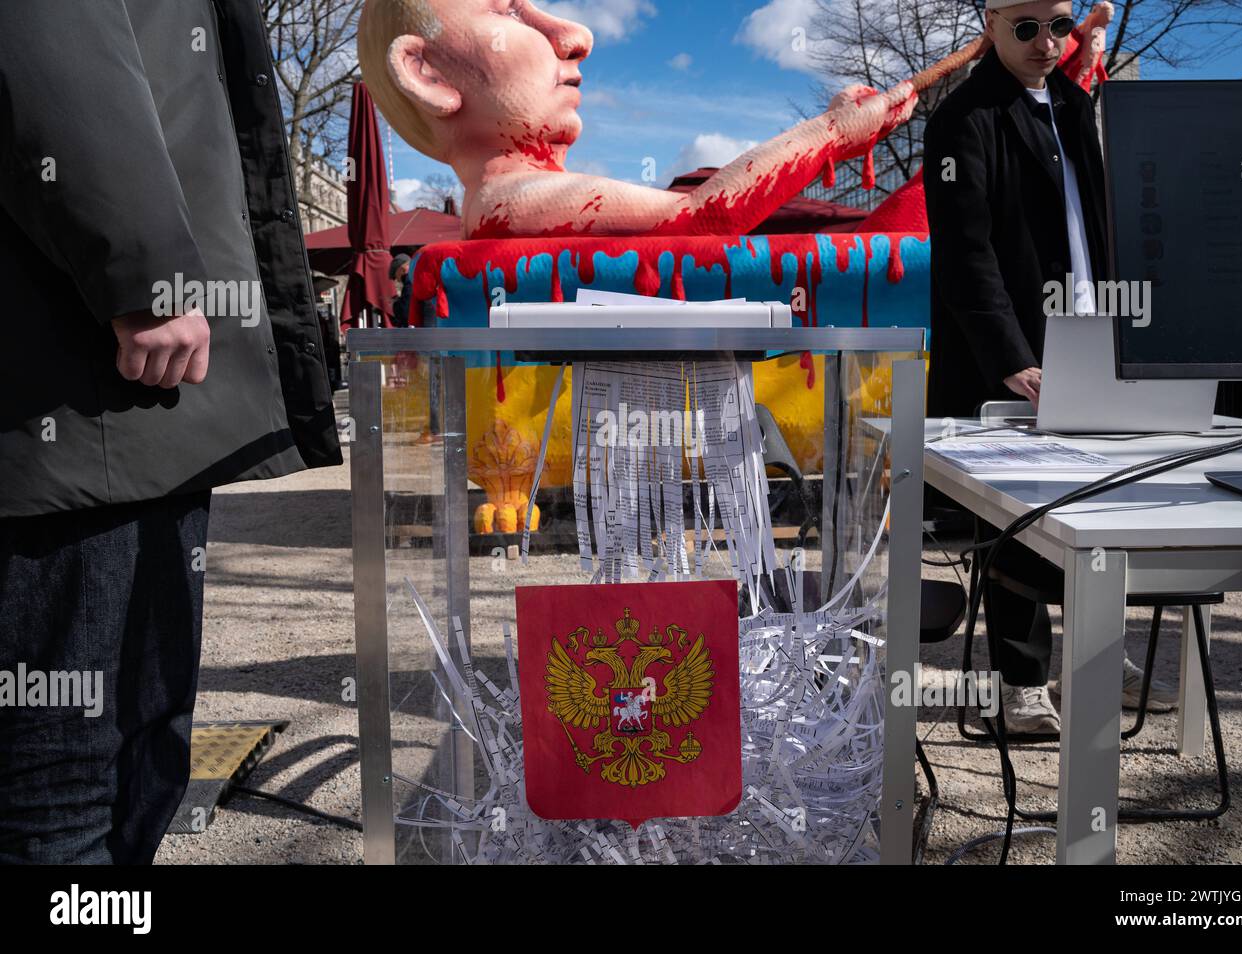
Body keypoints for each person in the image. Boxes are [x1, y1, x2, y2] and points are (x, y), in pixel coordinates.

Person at [0, 0, 341, 862]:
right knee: (72, 775)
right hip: (76, 395)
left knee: (136, 752)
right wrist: (143, 269)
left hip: (121, 403)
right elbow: (44, 31)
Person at [924, 0, 1176, 733]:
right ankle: (1022, 684)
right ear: (992, 23)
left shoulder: (1076, 104)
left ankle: (1099, 664)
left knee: (1104, 505)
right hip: (1013, 353)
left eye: (1058, 26)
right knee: (1022, 512)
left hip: (1095, 332)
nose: (1046, 41)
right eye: (1027, 26)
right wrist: (1011, 359)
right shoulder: (962, 117)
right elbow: (966, 256)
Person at [357, 0, 982, 240]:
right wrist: (832, 134)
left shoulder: (504, 202)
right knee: (957, 191)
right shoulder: (509, 200)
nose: (573, 34)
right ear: (429, 77)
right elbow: (701, 219)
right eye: (510, 13)